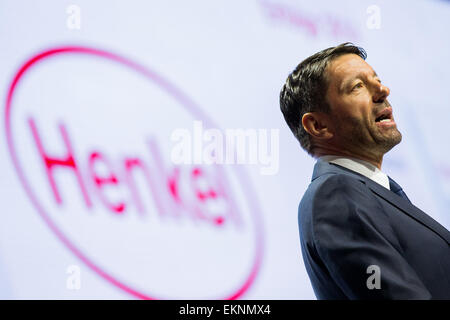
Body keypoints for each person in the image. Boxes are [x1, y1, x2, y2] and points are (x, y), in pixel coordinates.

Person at [279, 43, 450, 299]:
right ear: (318, 125)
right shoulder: (335, 194)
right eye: (357, 86)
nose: (383, 90)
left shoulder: (373, 192)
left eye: (377, 81)